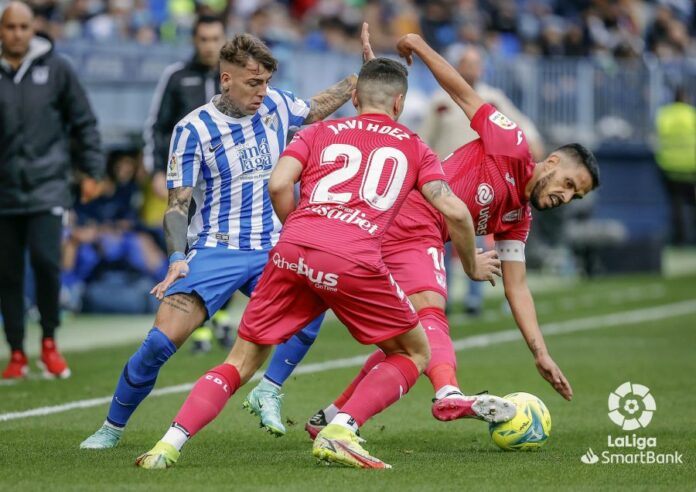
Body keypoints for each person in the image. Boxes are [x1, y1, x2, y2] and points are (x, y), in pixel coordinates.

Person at [134, 55, 495, 470]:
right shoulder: (414, 147)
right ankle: (342, 430)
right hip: (354, 255)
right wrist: (469, 265)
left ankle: (167, 445)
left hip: (293, 249)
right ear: (399, 104)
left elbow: (278, 183)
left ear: (355, 97)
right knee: (415, 351)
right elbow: (457, 212)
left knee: (240, 361)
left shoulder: (320, 131)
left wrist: (299, 230)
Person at [244, 32, 600, 438]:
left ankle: (328, 416)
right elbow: (462, 91)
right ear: (552, 161)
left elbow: (517, 289)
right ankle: (448, 392)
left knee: (405, 339)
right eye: (569, 183)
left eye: (575, 195)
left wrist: (541, 354)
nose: (565, 196)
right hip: (412, 218)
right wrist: (419, 45)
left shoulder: (517, 218)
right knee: (430, 313)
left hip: (394, 228)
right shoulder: (512, 144)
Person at [79, 32, 364, 449]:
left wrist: (361, 76)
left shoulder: (277, 105)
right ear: (226, 79)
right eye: (254, 83)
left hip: (273, 247)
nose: (263, 92)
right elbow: (177, 206)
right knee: (160, 343)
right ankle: (112, 427)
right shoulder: (193, 129)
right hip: (217, 247)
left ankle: (269, 388)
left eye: (266, 81)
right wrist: (177, 256)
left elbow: (317, 106)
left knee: (315, 299)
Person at [0, 1, 104, 379]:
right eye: (10, 27)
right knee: (8, 274)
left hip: (48, 186)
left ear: (33, 29)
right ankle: (15, 353)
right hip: (4, 193)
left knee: (46, 262)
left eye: (23, 27)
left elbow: (84, 122)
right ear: (2, 30)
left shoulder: (57, 68)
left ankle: (48, 343)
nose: (17, 34)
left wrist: (92, 170)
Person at [419, 44, 546, 316]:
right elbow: (423, 139)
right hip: (443, 181)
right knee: (440, 241)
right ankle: (444, 295)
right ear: (459, 67)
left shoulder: (492, 98)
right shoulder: (440, 101)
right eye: (469, 63)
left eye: (478, 64)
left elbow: (522, 125)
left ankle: (474, 298)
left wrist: (534, 142)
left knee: (475, 240)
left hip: (480, 186)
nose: (475, 69)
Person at [142, 15, 227, 352]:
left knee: (227, 242)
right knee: (188, 245)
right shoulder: (177, 76)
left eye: (215, 38)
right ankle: (202, 324)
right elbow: (156, 126)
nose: (209, 45)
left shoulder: (234, 78)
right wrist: (155, 171)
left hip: (224, 179)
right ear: (194, 40)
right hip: (186, 178)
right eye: (204, 39)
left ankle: (215, 314)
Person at [655, 87, 696, 245]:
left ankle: (680, 239)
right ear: (686, 98)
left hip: (669, 166)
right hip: (691, 167)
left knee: (676, 204)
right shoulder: (692, 114)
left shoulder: (664, 115)